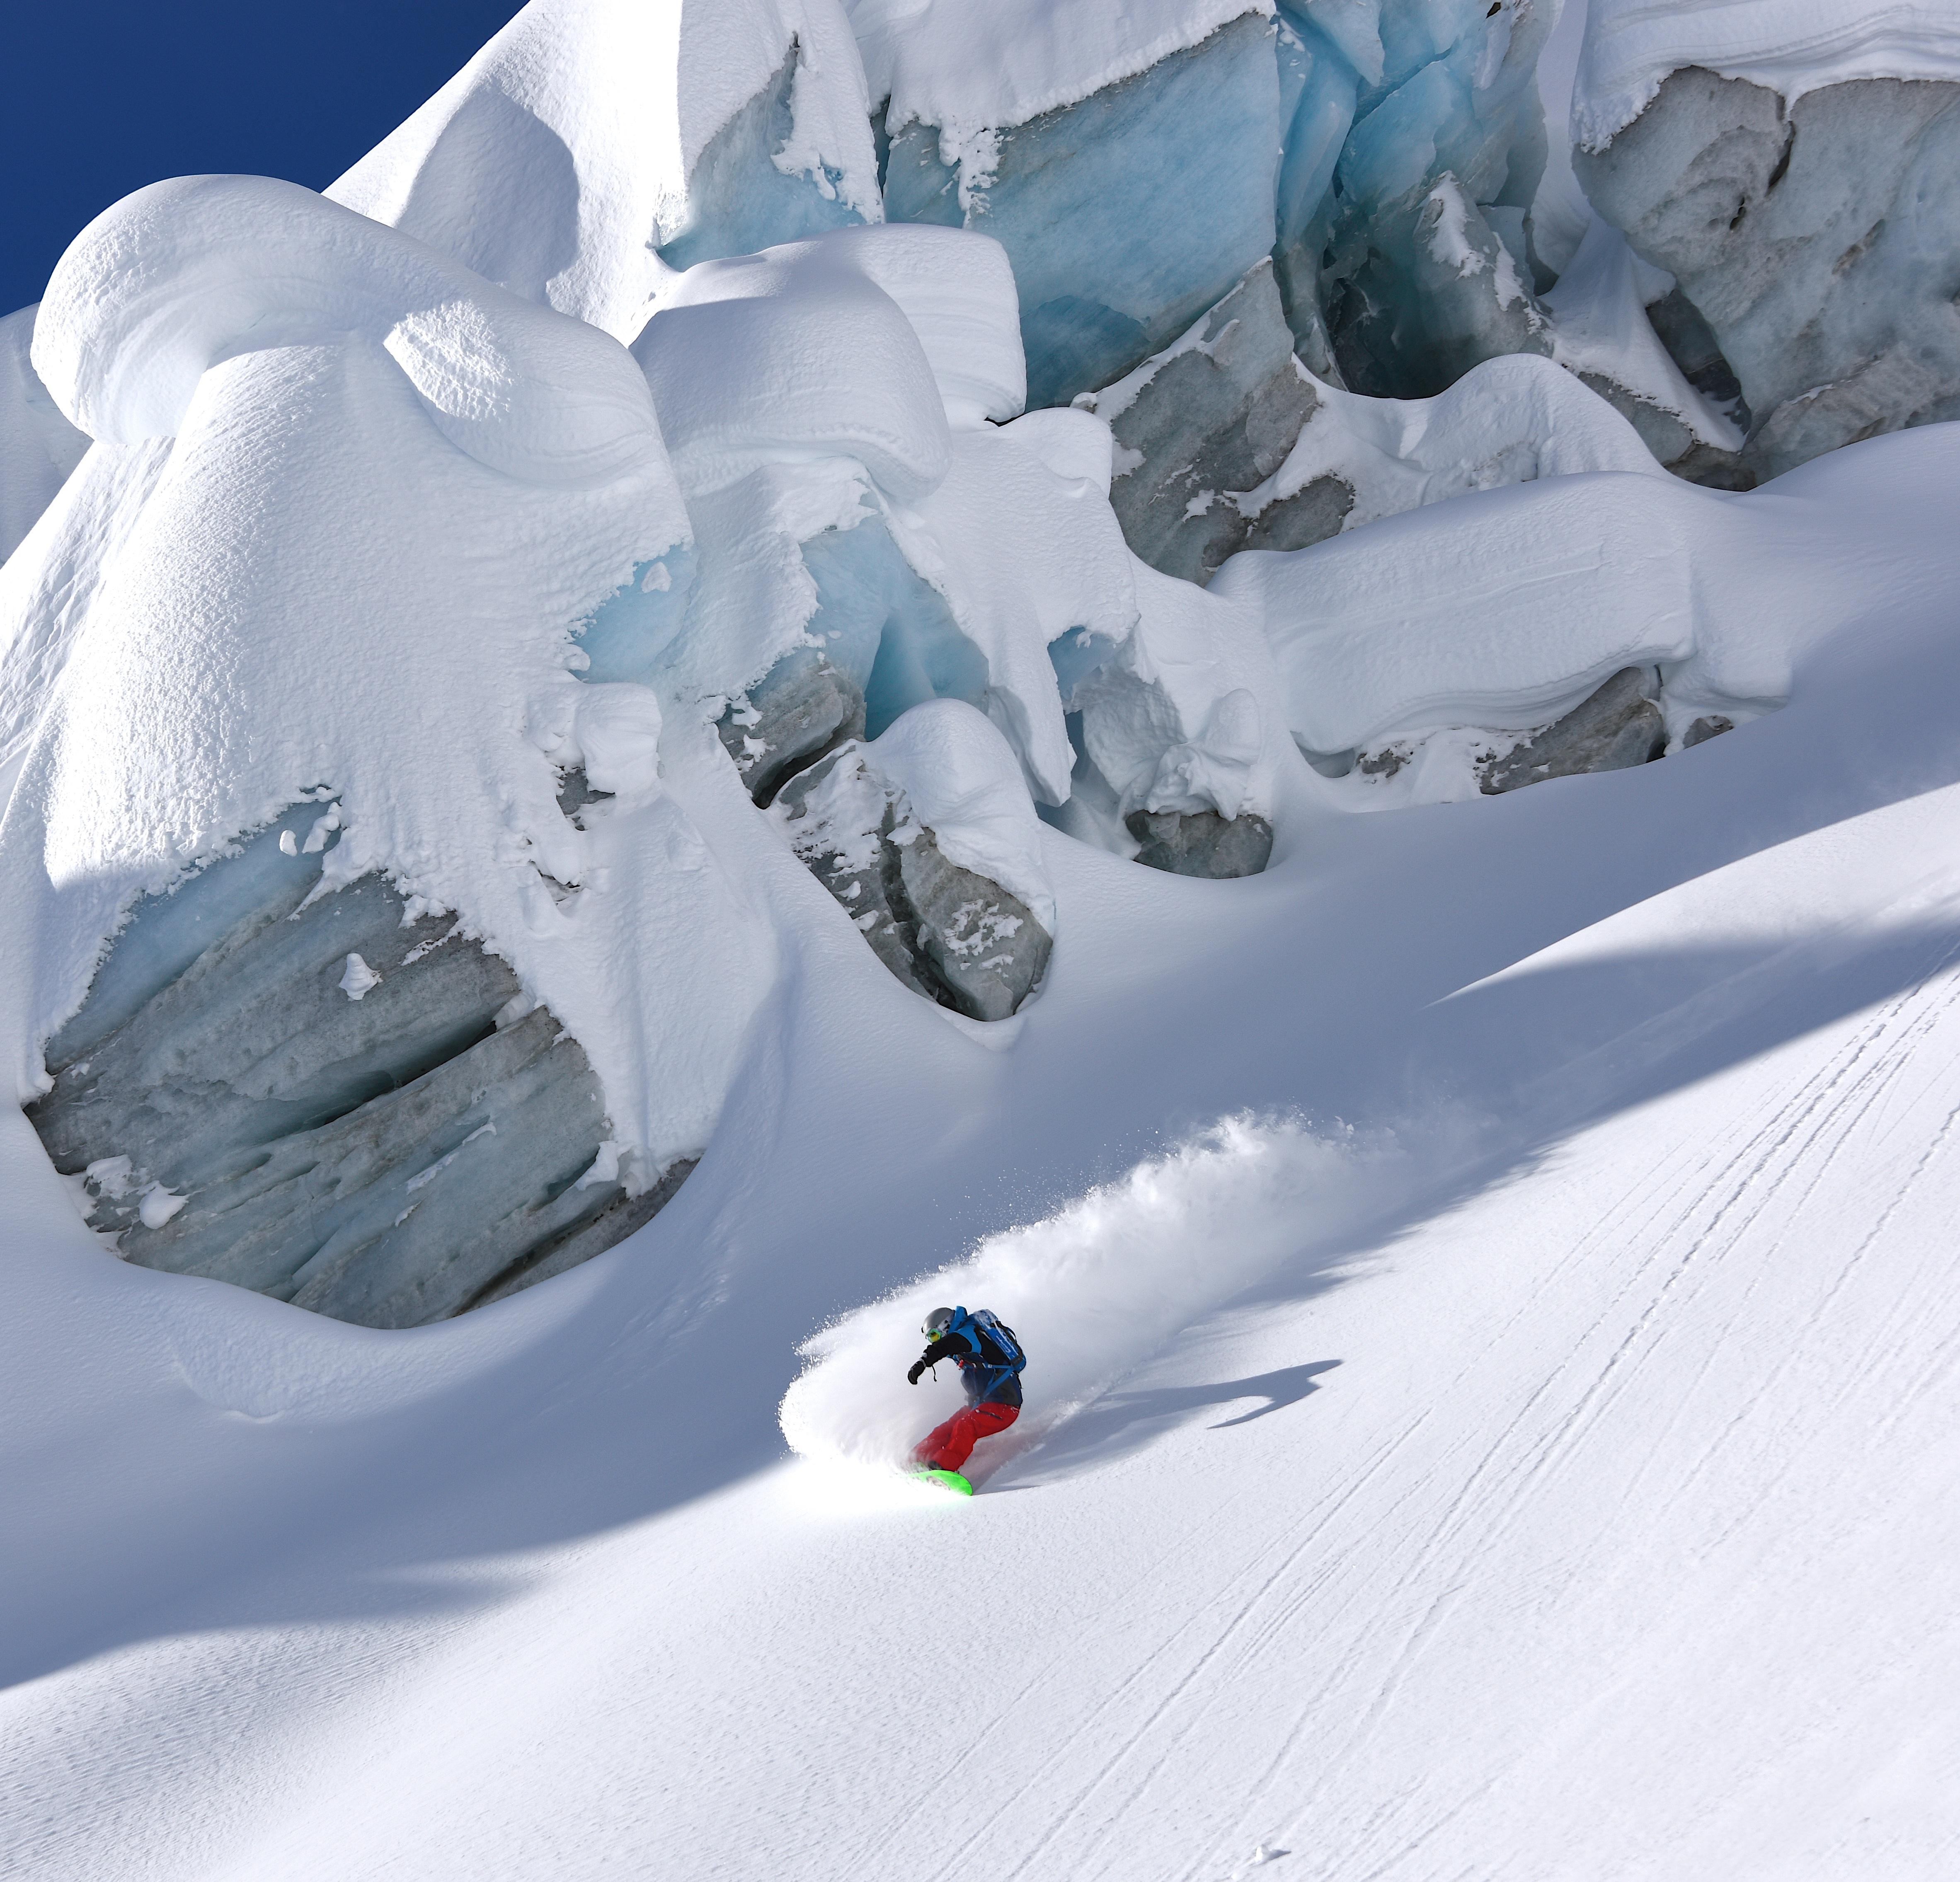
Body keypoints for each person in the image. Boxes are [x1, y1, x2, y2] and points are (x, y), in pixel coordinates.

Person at [906, 1304, 1025, 1476]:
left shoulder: (969, 1335)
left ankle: (943, 1469)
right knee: (945, 1429)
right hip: (980, 1405)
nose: (934, 1341)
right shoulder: (958, 1344)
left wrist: (923, 1362)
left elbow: (945, 1346)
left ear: (946, 1326)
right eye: (930, 1338)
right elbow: (945, 1346)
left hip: (1005, 1407)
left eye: (934, 1335)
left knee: (965, 1426)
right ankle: (914, 1462)